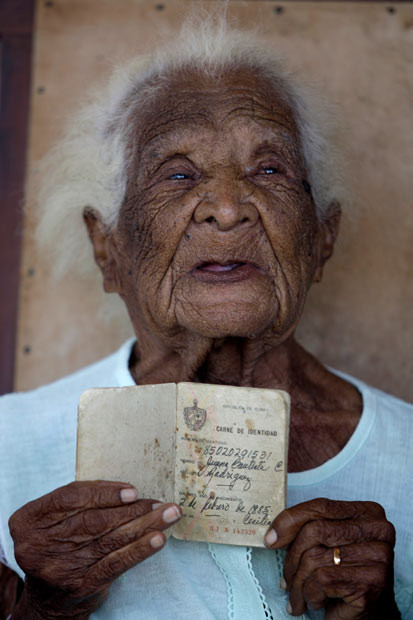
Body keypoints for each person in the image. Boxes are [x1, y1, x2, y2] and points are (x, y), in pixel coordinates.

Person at [1, 18, 412, 620]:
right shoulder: (10, 449)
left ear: (322, 238)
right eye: (178, 174)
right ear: (106, 246)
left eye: (268, 169)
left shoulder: (406, 459)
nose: (226, 208)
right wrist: (42, 608)